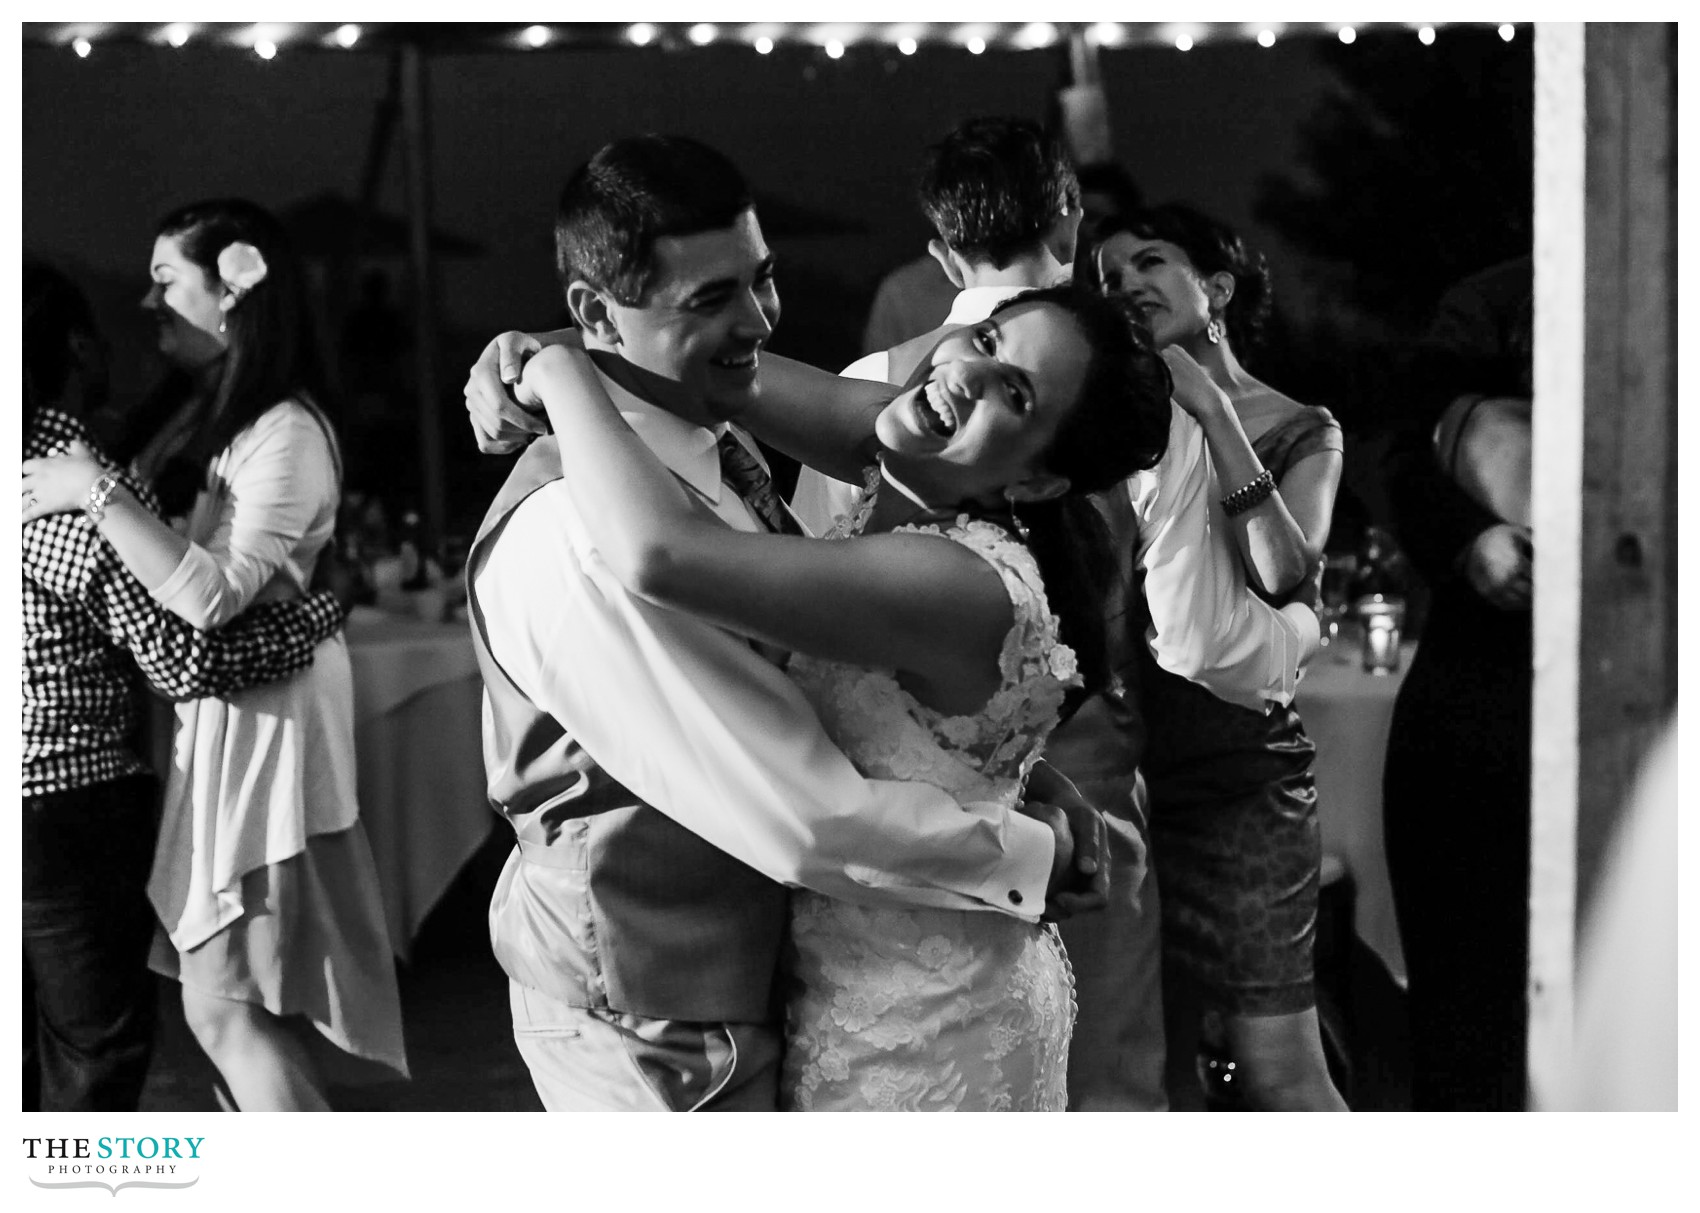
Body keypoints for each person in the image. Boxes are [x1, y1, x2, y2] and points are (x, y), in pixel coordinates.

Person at [460, 135, 1116, 1113]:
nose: (759, 319)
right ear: (595, 312)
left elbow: (830, 678)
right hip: (654, 1010)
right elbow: (797, 813)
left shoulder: (713, 436)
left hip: (805, 993)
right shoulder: (577, 523)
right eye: (709, 300)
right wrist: (1027, 848)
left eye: (761, 281)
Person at [22, 200, 407, 1110]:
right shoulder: (200, 431)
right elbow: (188, 647)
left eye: (165, 282)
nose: (149, 307)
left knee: (224, 1004)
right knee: (214, 1007)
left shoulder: (283, 432)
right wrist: (321, 610)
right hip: (200, 740)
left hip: (262, 741)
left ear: (234, 294)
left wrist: (101, 490)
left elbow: (205, 600)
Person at [1095, 204, 1347, 1109]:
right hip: (1119, 781)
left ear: (1218, 289)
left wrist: (1210, 412)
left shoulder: (1298, 425)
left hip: (1239, 780)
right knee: (1150, 1074)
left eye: (1148, 262)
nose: (1124, 284)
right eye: (1108, 276)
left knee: (1281, 1069)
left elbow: (1286, 571)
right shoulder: (1112, 429)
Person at [1381, 254, 1534, 1110]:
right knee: (1468, 1001)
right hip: (1480, 695)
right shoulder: (1489, 299)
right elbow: (1404, 448)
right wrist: (1470, 540)